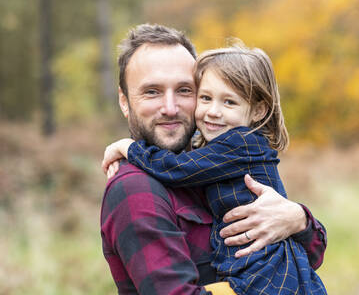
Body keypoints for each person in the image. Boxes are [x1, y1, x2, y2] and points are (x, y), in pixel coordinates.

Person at [100, 24, 327, 295]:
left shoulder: (210, 165)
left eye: (185, 90)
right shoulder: (136, 189)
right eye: (152, 92)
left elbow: (311, 256)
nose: (170, 108)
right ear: (124, 102)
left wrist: (297, 218)